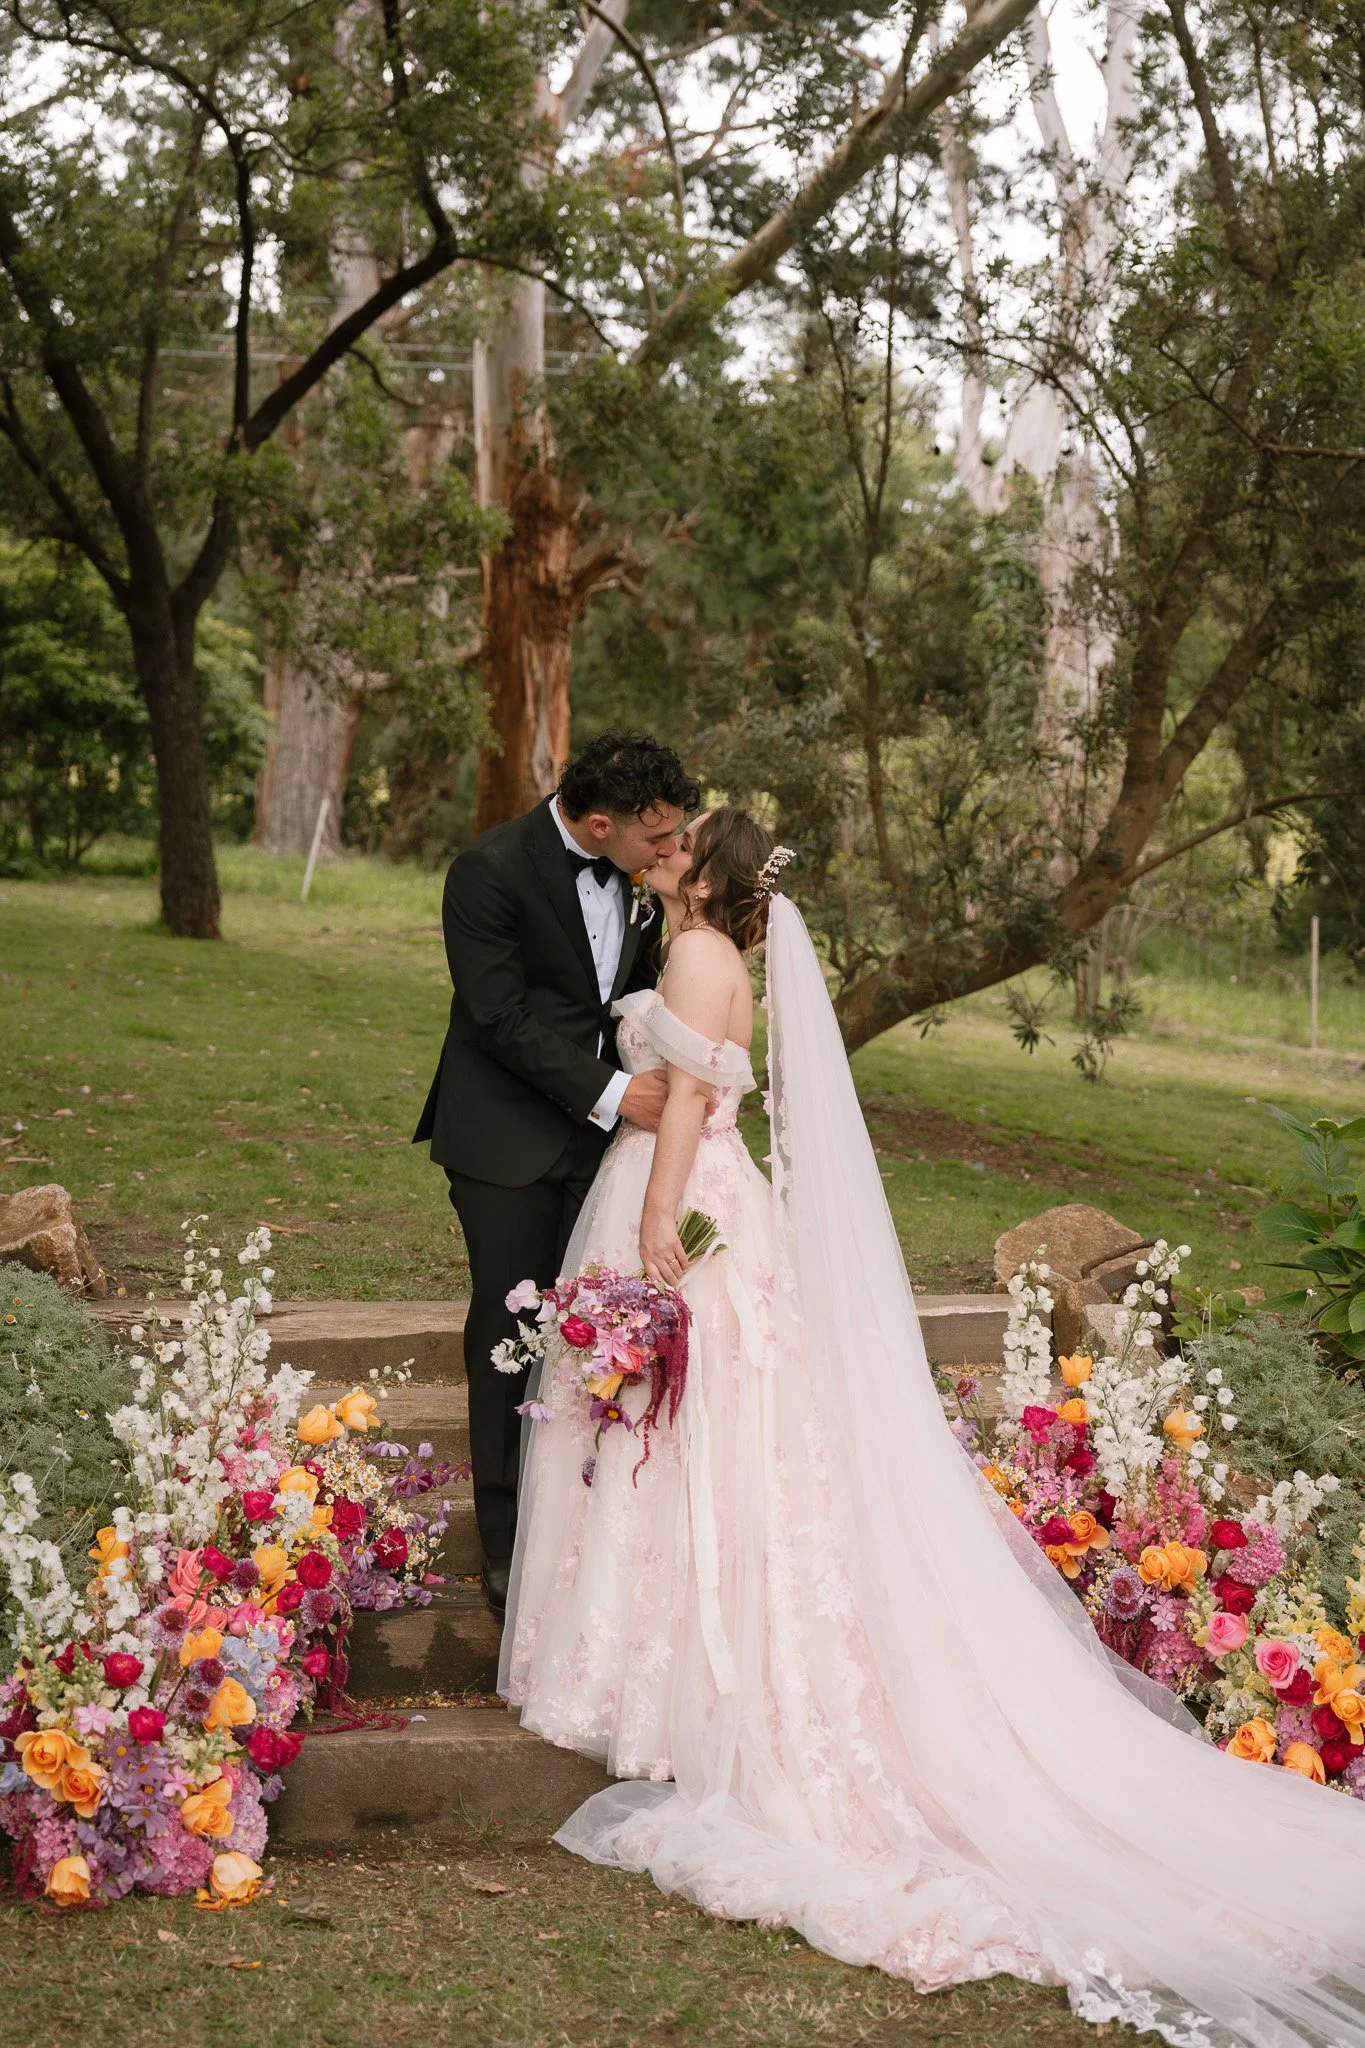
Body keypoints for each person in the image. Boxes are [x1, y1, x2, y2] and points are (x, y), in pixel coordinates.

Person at [501, 806, 1365, 2048]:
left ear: (709, 873)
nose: (663, 854)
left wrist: (657, 1228)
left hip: (683, 1203)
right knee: (702, 1437)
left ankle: (654, 1674)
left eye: (680, 846)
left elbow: (687, 1097)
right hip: (708, 1197)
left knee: (678, 1432)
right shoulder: (720, 954)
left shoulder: (698, 956)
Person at [413, 732, 699, 1615]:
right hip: (505, 1146)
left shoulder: (645, 885)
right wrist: (619, 1094)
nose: (671, 853)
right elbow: (496, 1017)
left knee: (610, 1338)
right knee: (511, 1341)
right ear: (602, 821)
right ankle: (507, 1552)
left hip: (609, 1157)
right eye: (658, 839)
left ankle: (591, 1539)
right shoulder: (487, 871)